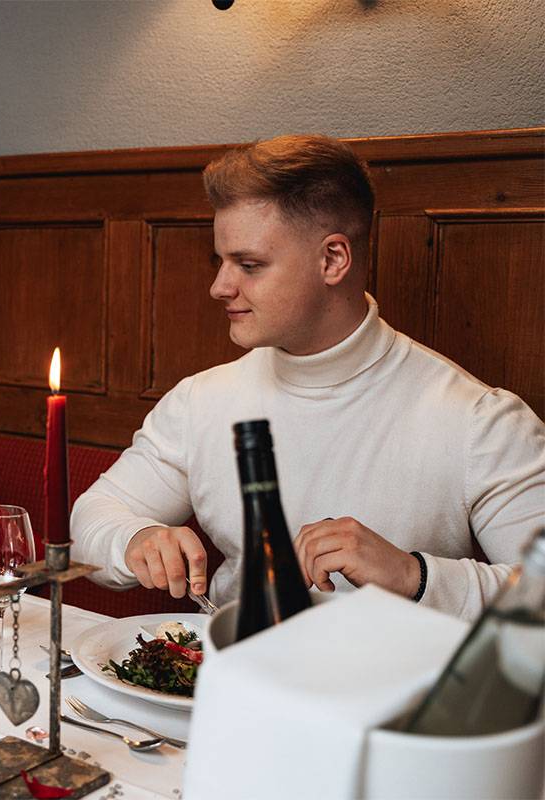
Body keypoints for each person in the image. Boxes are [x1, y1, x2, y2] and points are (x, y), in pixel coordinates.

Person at [71, 134, 545, 621]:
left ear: (333, 259)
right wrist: (136, 539)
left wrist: (413, 575)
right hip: (227, 662)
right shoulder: (200, 400)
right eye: (221, 262)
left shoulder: (480, 420)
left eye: (249, 265)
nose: (219, 287)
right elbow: (93, 516)